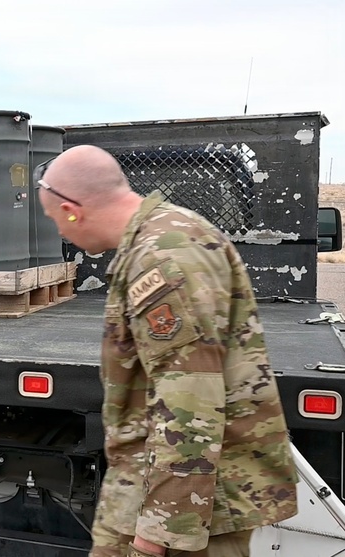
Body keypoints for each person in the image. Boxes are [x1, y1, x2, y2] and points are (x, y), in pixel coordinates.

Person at [35, 145, 297, 557]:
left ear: (71, 210)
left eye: (55, 220)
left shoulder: (163, 257)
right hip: (156, 489)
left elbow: (190, 404)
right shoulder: (165, 236)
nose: (60, 232)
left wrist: (156, 537)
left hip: (185, 507)